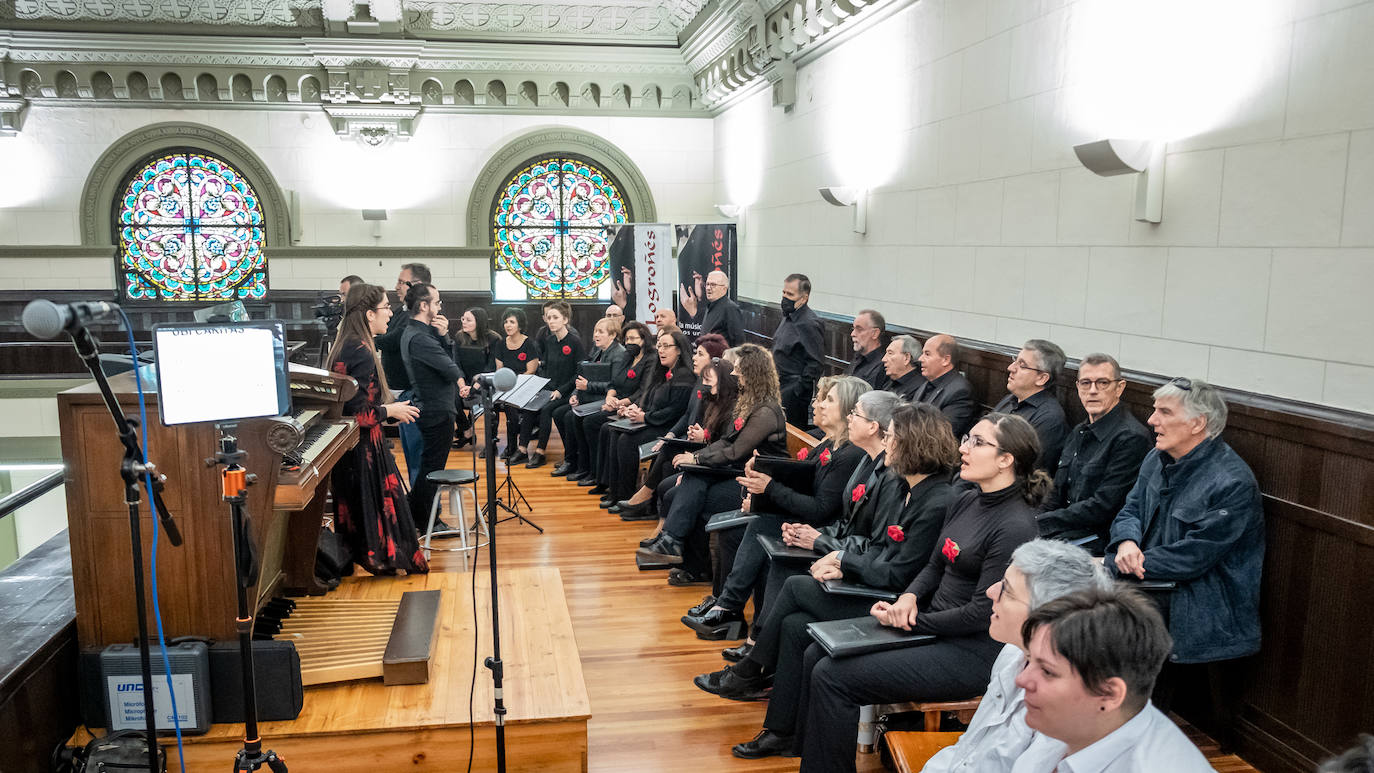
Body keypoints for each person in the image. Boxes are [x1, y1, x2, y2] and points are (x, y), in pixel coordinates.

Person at [780, 413, 1046, 768]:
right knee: (816, 652)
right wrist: (907, 599)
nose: (964, 448)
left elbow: (980, 614)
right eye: (967, 439)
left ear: (1006, 460)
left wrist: (912, 621)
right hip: (931, 625)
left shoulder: (1014, 524)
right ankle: (807, 757)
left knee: (833, 676)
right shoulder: (967, 499)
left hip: (971, 651)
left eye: (978, 443)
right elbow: (934, 565)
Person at [695, 403, 960, 745]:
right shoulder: (901, 486)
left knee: (794, 586)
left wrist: (842, 560)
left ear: (915, 444)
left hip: (892, 603)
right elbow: (877, 546)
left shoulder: (938, 499)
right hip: (875, 583)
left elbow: (899, 574)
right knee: (792, 626)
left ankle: (750, 670)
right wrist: (839, 558)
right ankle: (782, 732)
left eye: (892, 438)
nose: (887, 445)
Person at [1105, 377, 1263, 750]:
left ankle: (1128, 739)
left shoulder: (1232, 481)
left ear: (1197, 424)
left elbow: (1194, 557)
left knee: (1107, 611)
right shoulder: (1156, 458)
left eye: (1163, 412)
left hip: (1201, 602)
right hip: (1151, 580)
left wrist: (1122, 563)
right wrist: (1126, 542)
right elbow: (1130, 508)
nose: (1151, 420)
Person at [686, 377, 872, 647]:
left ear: (847, 408)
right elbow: (799, 479)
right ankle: (728, 607)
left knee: (762, 524)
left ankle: (732, 610)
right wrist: (763, 476)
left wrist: (769, 489)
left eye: (829, 399)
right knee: (740, 530)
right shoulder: (828, 445)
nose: (819, 404)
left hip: (820, 528)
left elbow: (820, 510)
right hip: (800, 518)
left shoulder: (848, 454)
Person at [919, 540, 1112, 773]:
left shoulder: (1070, 712)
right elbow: (971, 749)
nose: (991, 591)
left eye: (1007, 590)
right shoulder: (1014, 654)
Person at [1009, 587, 1212, 773]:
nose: (1021, 679)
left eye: (1047, 671)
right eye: (1030, 660)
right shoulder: (1071, 725)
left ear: (1109, 693)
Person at [636, 344, 788, 571]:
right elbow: (726, 442)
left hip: (758, 485)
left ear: (752, 374)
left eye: (738, 370)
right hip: (741, 473)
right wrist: (695, 456)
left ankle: (681, 551)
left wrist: (696, 460)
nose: (734, 374)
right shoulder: (751, 405)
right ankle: (676, 547)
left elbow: (736, 451)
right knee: (692, 480)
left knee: (691, 490)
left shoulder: (766, 411)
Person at [325, 283, 428, 575]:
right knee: (374, 507)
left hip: (357, 445)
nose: (390, 313)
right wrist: (389, 411)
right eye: (385, 307)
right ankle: (384, 560)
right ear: (370, 314)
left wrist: (390, 412)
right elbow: (356, 413)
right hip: (363, 448)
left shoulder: (349, 344)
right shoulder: (360, 351)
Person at [1037, 353, 1151, 553]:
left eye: (1103, 383)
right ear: (1078, 387)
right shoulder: (1079, 431)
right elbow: (1057, 490)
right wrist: (1035, 520)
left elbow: (1103, 507)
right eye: (1086, 383)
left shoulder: (1131, 438)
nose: (1092, 391)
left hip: (1098, 540)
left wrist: (1042, 523)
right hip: (1064, 529)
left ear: (1120, 388)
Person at [611, 333, 729, 519]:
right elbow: (687, 415)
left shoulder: (715, 387)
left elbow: (717, 427)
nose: (694, 358)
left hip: (704, 444)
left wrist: (703, 435)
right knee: (658, 444)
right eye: (695, 353)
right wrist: (672, 434)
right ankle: (636, 499)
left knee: (664, 451)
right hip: (688, 436)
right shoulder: (700, 381)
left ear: (715, 361)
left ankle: (644, 501)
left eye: (700, 354)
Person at [591, 327, 695, 507]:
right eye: (659, 346)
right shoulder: (662, 371)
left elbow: (675, 411)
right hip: (652, 420)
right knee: (613, 431)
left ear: (678, 349)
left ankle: (629, 495)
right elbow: (648, 397)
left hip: (666, 427)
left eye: (666, 346)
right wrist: (635, 409)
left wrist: (645, 417)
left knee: (626, 441)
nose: (661, 350)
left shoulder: (684, 376)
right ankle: (614, 493)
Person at [399, 282, 464, 525]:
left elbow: (445, 360)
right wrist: (461, 381)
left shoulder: (419, 333)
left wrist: (444, 336)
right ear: (424, 305)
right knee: (432, 471)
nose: (439, 306)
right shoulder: (420, 338)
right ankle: (422, 520)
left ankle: (416, 517)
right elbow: (450, 368)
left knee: (430, 468)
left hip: (435, 407)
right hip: (436, 410)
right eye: (436, 302)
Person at [570, 321, 652, 486]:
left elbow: (641, 392)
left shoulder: (649, 361)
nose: (629, 342)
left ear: (643, 340)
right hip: (615, 400)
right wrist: (609, 398)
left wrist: (618, 403)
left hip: (630, 405)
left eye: (633, 338)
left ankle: (598, 475)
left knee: (592, 422)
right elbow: (613, 383)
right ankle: (588, 469)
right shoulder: (628, 357)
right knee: (577, 417)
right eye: (627, 339)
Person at [375, 262, 432, 483]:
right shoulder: (402, 311)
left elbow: (393, 339)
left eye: (401, 281)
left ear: (416, 285)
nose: (396, 286)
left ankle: (423, 510)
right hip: (401, 390)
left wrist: (371, 338)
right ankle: (416, 504)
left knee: (417, 453)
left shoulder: (416, 317)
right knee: (409, 450)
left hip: (413, 392)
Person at [551, 316, 626, 478]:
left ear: (612, 335)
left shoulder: (619, 354)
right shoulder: (597, 350)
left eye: (601, 332)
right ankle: (573, 459)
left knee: (573, 417)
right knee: (559, 413)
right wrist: (575, 394)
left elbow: (615, 385)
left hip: (606, 399)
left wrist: (588, 386)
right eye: (595, 331)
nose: (596, 335)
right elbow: (583, 375)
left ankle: (586, 466)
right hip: (589, 396)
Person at [516, 300, 584, 468]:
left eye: (555, 317)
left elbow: (579, 372)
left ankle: (540, 453)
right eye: (549, 317)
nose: (551, 321)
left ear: (565, 320)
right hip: (550, 388)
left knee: (546, 410)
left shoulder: (574, 342)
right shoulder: (550, 341)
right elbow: (546, 367)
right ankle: (522, 449)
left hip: (566, 392)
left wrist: (561, 391)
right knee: (529, 405)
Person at [994, 339, 1069, 470]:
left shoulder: (1049, 419)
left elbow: (1028, 471)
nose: (1010, 368)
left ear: (1041, 378)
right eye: (1014, 360)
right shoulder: (1009, 400)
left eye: (1022, 365)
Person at [772, 273, 826, 428]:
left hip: (793, 393)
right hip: (777, 385)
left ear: (804, 298)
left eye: (790, 294)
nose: (785, 297)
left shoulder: (810, 323)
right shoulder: (787, 317)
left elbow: (815, 363)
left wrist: (797, 390)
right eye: (783, 292)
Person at [450, 306, 500, 450]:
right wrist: (462, 386)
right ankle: (467, 431)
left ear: (479, 322)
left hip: (485, 382)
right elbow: (456, 364)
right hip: (463, 382)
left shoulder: (493, 339)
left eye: (468, 320)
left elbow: (491, 367)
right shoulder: (459, 337)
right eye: (463, 319)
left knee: (489, 402)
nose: (464, 322)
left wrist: (473, 388)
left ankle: (491, 443)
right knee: (450, 398)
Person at [495, 308, 540, 460]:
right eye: (506, 322)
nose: (508, 325)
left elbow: (531, 371)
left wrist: (515, 383)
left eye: (512, 322)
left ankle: (520, 447)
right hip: (508, 387)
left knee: (519, 409)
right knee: (509, 410)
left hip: (526, 385)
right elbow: (499, 371)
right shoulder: (501, 344)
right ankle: (511, 445)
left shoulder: (529, 344)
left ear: (520, 325)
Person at [914, 333, 977, 437]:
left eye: (927, 354)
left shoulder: (961, 392)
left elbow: (942, 436)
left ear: (945, 360)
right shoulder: (926, 383)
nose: (920, 359)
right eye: (922, 353)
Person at [845, 309, 889, 390]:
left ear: (875, 333)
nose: (853, 334)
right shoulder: (858, 357)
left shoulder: (882, 366)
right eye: (853, 329)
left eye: (859, 329)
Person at [698, 270, 745, 345]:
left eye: (713, 285)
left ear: (724, 289)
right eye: (707, 284)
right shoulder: (710, 306)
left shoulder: (730, 308)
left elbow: (738, 341)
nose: (708, 288)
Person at [882, 334, 926, 402]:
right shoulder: (890, 381)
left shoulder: (919, 389)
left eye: (890, 353)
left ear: (906, 358)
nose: (883, 359)